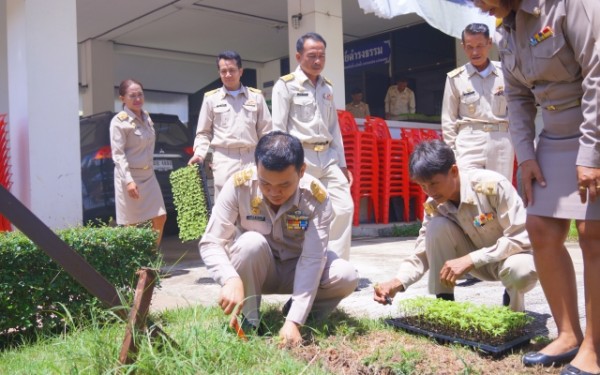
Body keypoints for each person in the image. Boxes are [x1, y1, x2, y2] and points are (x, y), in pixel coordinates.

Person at [470, 1, 600, 373]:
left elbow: (597, 74)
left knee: (593, 234)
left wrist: (591, 153)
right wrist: (526, 155)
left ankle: (594, 346)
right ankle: (568, 334)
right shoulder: (506, 26)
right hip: (555, 135)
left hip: (595, 127)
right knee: (541, 228)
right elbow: (517, 96)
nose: (477, 4)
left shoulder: (568, 6)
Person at [199, 131, 358, 346]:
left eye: (284, 185)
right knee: (250, 244)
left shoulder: (315, 197)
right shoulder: (239, 186)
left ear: (301, 171)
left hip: (298, 267)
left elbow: (312, 260)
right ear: (256, 167)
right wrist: (229, 278)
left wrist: (295, 320)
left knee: (346, 275)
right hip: (258, 270)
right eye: (266, 184)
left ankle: (299, 318)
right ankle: (249, 321)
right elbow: (211, 242)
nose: (274, 192)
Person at [373, 140, 537, 312]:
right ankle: (445, 306)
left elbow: (521, 237)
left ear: (453, 171)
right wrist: (397, 282)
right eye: (422, 186)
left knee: (519, 272)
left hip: (511, 258)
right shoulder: (434, 205)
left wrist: (472, 259)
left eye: (434, 183)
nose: (429, 191)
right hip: (478, 265)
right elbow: (422, 251)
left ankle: (513, 314)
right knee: (436, 227)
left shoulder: (493, 187)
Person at [271, 32, 354, 261]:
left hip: (328, 158)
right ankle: (298, 264)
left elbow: (334, 129)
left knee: (343, 208)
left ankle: (334, 265)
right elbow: (278, 128)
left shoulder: (327, 88)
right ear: (299, 56)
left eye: (322, 56)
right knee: (299, 215)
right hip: (301, 158)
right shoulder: (285, 86)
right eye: (312, 56)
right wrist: (285, 165)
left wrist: (344, 165)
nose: (318, 61)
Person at [188, 50, 272, 199]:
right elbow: (203, 133)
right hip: (224, 160)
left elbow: (266, 132)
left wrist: (267, 159)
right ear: (219, 73)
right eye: (223, 71)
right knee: (225, 209)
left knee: (254, 207)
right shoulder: (211, 99)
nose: (228, 75)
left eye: (232, 70)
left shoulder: (256, 97)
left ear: (240, 71)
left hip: (251, 158)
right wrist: (199, 155)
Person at [441, 23, 514, 181]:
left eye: (480, 46)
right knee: (469, 191)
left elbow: (518, 109)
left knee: (499, 192)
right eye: (469, 47)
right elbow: (448, 120)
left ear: (489, 43)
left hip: (501, 141)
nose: (475, 52)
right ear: (463, 47)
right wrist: (452, 152)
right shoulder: (455, 78)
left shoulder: (506, 73)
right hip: (468, 141)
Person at [110, 79, 167, 247]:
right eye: (132, 96)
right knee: (132, 223)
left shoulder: (147, 117)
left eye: (140, 94)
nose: (137, 99)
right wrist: (128, 181)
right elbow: (118, 154)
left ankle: (151, 259)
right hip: (130, 177)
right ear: (122, 98)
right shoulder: (119, 122)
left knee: (160, 216)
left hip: (148, 175)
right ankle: (135, 264)